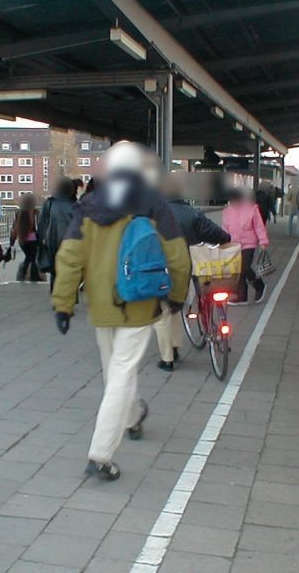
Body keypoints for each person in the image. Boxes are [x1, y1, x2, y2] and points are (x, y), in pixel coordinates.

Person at [52, 142, 190, 481]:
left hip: (101, 306)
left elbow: (69, 257)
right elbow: (177, 255)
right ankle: (100, 455)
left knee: (114, 373)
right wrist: (177, 294)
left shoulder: (89, 205)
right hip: (140, 303)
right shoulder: (153, 204)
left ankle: (130, 419)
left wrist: (63, 303)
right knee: (122, 374)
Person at [154, 173, 231, 372]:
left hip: (162, 268)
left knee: (163, 312)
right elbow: (218, 235)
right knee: (177, 307)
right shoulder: (192, 213)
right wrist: (224, 239)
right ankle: (177, 347)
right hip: (190, 265)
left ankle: (167, 358)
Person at [222, 188, 269, 305]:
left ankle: (259, 285)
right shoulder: (227, 212)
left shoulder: (252, 209)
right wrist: (223, 243)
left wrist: (263, 242)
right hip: (233, 245)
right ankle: (241, 296)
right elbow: (225, 229)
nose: (233, 204)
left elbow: (259, 227)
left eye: (235, 201)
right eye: (231, 201)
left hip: (249, 244)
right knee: (238, 270)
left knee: (244, 268)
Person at [37, 178, 76, 291]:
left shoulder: (50, 203)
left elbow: (41, 222)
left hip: (52, 240)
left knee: (55, 269)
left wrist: (41, 239)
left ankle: (56, 292)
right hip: (71, 241)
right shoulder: (75, 205)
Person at [11, 194, 42, 283]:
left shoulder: (19, 213)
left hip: (22, 239)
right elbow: (40, 226)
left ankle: (24, 274)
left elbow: (14, 229)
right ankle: (32, 275)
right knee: (32, 258)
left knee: (28, 257)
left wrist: (12, 243)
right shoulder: (35, 212)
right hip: (33, 239)